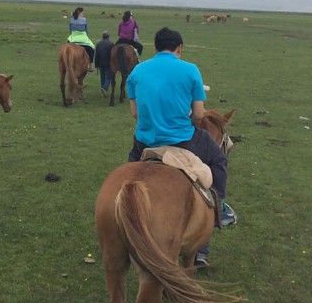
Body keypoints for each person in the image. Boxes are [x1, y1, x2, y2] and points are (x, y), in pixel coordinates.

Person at [124, 26, 239, 267]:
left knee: (128, 174)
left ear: (155, 48)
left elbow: (135, 113)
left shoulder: (137, 71)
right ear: (179, 48)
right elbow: (198, 116)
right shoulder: (190, 70)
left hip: (144, 141)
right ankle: (220, 206)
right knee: (218, 159)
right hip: (182, 139)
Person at [93, 29, 116, 95]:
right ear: (108, 36)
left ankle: (103, 91)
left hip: (100, 63)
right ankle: (104, 88)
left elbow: (96, 55)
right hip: (108, 63)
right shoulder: (111, 44)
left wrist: (96, 65)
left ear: (102, 36)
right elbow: (113, 55)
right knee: (109, 77)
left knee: (102, 77)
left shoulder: (98, 44)